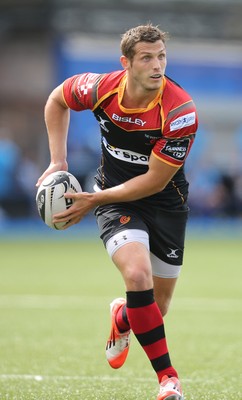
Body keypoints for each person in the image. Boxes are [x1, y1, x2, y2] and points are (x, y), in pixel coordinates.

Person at [37, 23, 198, 400]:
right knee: (137, 274)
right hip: (115, 199)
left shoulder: (179, 111)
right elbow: (56, 100)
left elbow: (155, 182)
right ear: (126, 62)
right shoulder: (99, 88)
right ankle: (168, 380)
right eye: (146, 58)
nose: (157, 65)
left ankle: (122, 316)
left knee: (156, 307)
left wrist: (93, 200)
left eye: (161, 56)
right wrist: (57, 162)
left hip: (165, 202)